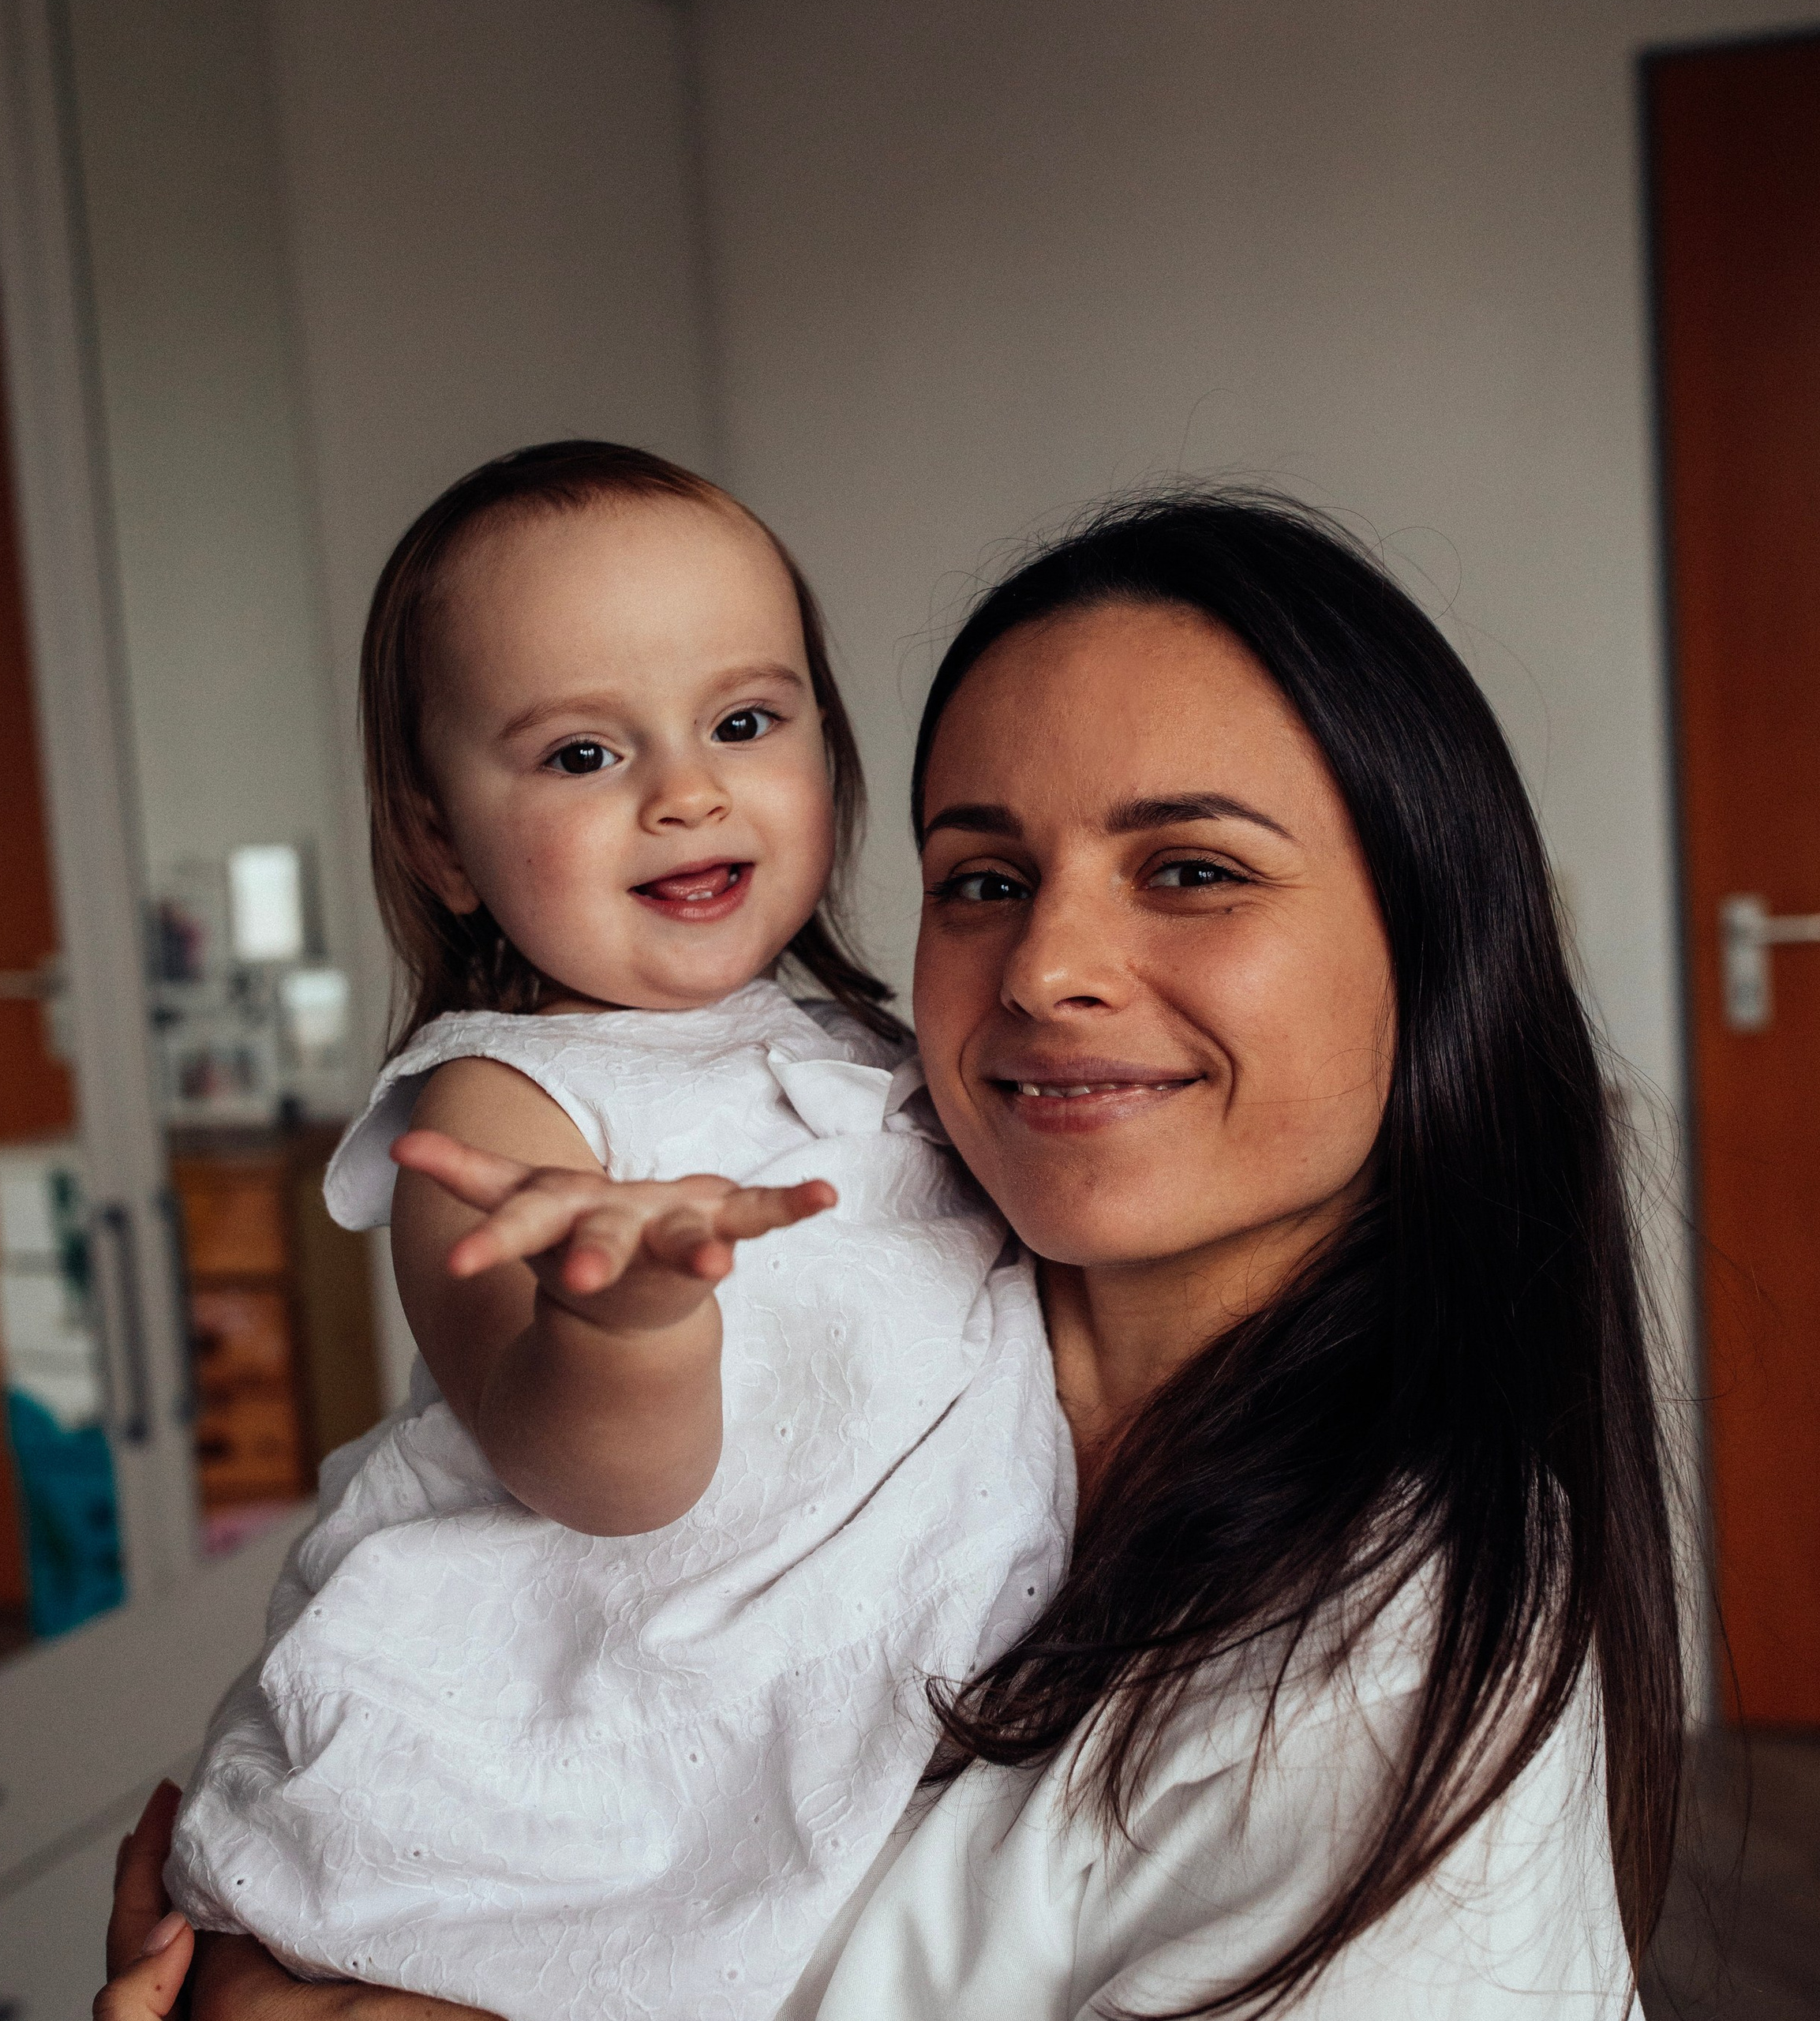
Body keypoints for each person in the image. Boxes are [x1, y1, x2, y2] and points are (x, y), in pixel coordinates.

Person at [102, 489, 1683, 2020]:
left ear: (1435, 931)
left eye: (1190, 870)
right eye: (983, 880)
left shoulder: (1390, 1653)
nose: (1046, 969)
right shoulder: (795, 1202)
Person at [157, 442, 1070, 2017]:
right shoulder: (500, 1110)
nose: (686, 792)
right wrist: (625, 1319)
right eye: (583, 753)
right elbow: (594, 1476)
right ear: (440, 842)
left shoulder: (884, 1050)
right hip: (554, 1761)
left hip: (824, 1713)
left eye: (744, 722)